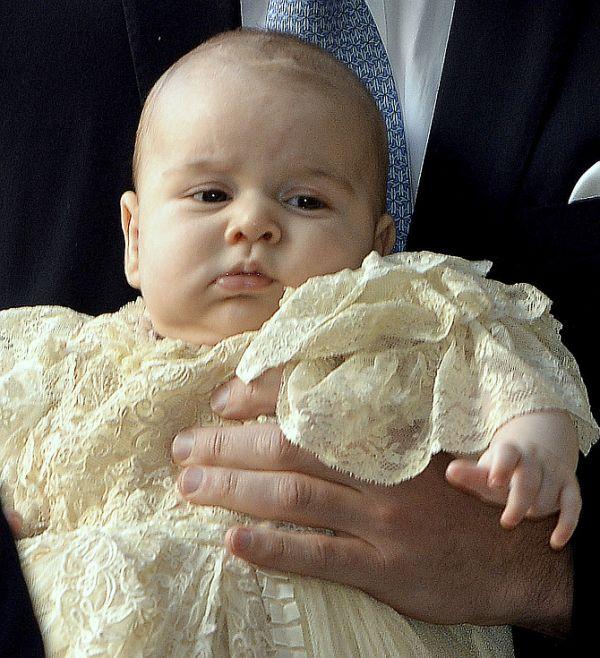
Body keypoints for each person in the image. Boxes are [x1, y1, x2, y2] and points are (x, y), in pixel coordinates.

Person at [1, 2, 597, 655]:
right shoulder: (62, 354)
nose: (251, 224)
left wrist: (532, 449)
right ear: (134, 238)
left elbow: (503, 352)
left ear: (379, 245)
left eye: (305, 201)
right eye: (210, 195)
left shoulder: (387, 314)